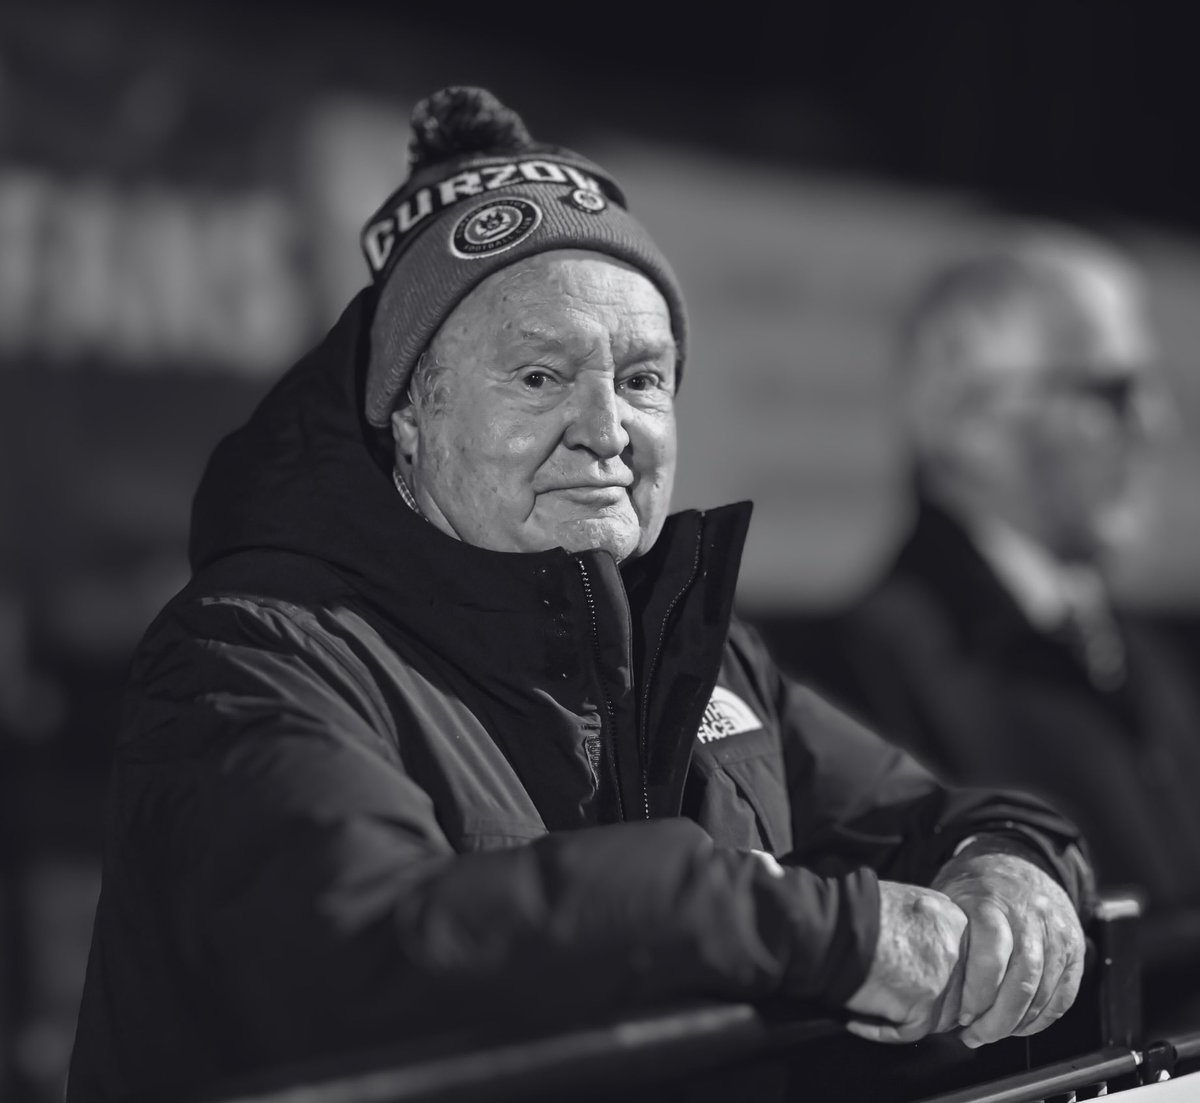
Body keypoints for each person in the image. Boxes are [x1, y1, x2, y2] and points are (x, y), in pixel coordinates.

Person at [67, 90, 1091, 1103]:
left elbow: (941, 814)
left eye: (643, 379)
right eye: (538, 377)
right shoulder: (251, 651)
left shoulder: (695, 647)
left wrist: (1004, 864)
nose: (607, 429)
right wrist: (811, 927)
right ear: (409, 418)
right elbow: (367, 949)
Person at [791, 230, 1200, 1030]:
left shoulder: (1143, 652)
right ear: (965, 419)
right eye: (1111, 391)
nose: (1157, 424)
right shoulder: (862, 679)